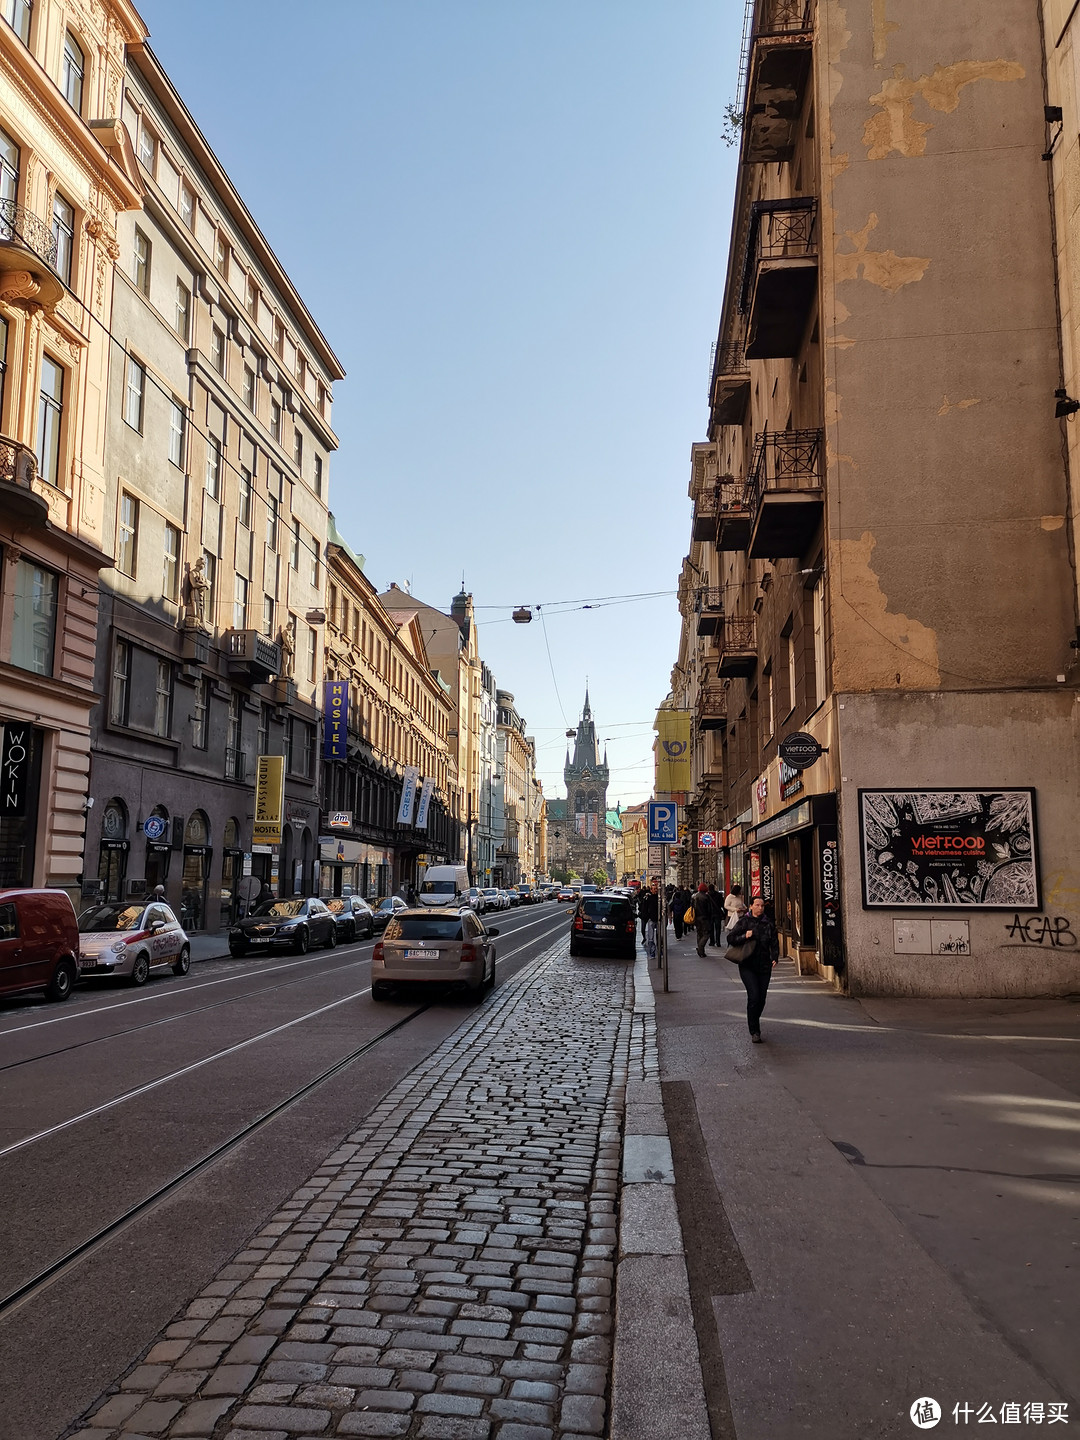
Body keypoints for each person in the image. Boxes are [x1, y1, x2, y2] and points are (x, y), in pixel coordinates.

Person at [725, 895, 779, 1042]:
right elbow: (730, 939)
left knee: (761, 999)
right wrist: (745, 936)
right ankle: (754, 1030)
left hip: (764, 966)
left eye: (762, 906)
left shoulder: (768, 923)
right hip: (747, 965)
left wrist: (775, 956)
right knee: (754, 996)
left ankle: (754, 1018)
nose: (760, 908)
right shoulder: (744, 922)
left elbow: (774, 942)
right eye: (757, 905)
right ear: (751, 906)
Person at [638, 878, 660, 960]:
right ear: (651, 890)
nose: (655, 890)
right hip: (651, 919)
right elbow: (645, 908)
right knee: (651, 938)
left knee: (659, 936)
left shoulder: (659, 898)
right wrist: (646, 917)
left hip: (658, 919)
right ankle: (652, 952)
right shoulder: (648, 898)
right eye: (654, 889)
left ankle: (660, 950)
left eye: (656, 889)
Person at [692, 882, 714, 957]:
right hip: (704, 917)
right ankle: (700, 948)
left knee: (699, 933)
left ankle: (701, 951)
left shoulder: (694, 896)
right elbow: (709, 909)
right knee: (706, 933)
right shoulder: (706, 897)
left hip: (696, 917)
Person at [708, 883, 724, 948]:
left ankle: (712, 941)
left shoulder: (707, 895)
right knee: (718, 928)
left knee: (711, 928)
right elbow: (722, 904)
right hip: (717, 913)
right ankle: (718, 942)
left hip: (710, 914)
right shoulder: (719, 895)